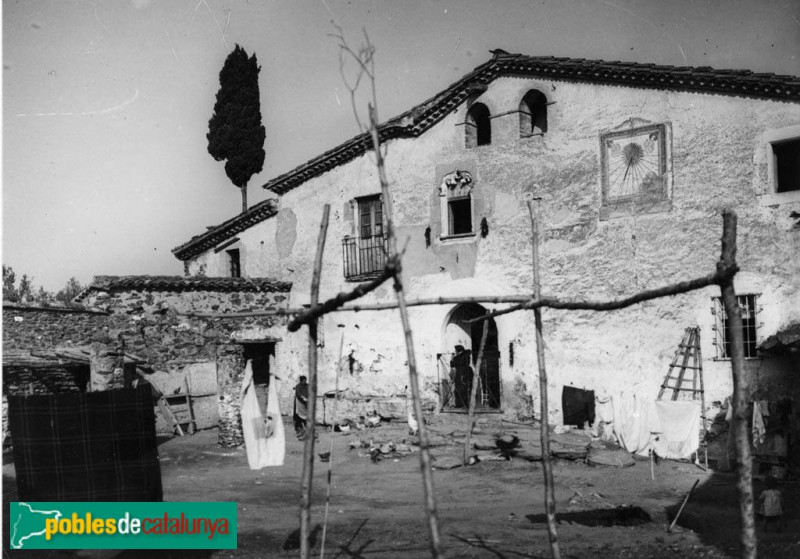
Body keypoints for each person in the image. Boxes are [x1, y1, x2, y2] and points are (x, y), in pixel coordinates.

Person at [293, 376, 309, 440]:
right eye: (303, 381)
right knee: (298, 417)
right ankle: (299, 431)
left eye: (305, 381)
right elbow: (298, 394)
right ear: (301, 381)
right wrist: (303, 397)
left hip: (306, 404)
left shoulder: (307, 386)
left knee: (306, 417)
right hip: (299, 403)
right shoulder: (298, 386)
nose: (304, 382)